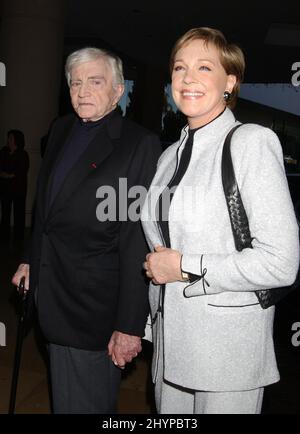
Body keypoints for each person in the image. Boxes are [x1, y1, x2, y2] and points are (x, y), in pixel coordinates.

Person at [141, 27, 299, 414]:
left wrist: (185, 267)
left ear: (230, 82)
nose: (188, 78)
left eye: (204, 67)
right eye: (180, 68)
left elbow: (281, 262)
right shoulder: (169, 157)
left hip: (226, 350)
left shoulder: (251, 143)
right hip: (169, 346)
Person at [12, 47, 161, 414]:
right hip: (52, 294)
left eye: (95, 82)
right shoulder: (61, 128)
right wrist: (31, 259)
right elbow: (46, 210)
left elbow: (136, 241)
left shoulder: (138, 145)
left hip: (95, 310)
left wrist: (129, 325)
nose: (82, 91)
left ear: (117, 90)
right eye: (75, 83)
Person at [0, 129, 29, 241]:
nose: (8, 140)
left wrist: (8, 175)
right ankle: (4, 236)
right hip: (5, 188)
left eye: (11, 138)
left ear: (17, 140)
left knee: (19, 213)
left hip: (18, 189)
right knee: (5, 212)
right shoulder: (3, 151)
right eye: (9, 138)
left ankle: (18, 237)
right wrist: (7, 175)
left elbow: (21, 171)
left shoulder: (23, 154)